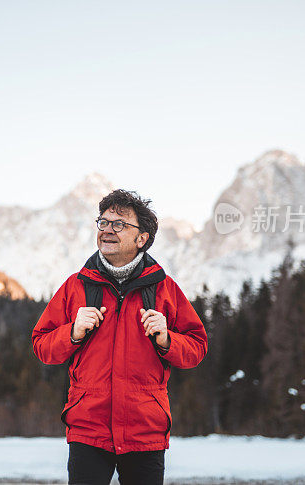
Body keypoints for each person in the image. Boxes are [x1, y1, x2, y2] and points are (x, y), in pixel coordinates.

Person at [32, 189, 208, 485]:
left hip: (145, 432)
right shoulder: (75, 286)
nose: (108, 230)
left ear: (142, 239)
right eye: (103, 222)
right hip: (88, 430)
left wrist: (167, 340)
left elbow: (197, 347)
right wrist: (72, 333)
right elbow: (41, 345)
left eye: (119, 224)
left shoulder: (165, 289)